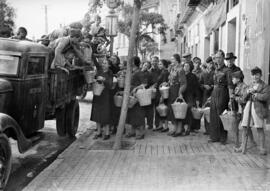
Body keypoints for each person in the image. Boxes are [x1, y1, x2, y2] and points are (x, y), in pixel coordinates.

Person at [236, 67, 270, 155]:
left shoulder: (265, 86)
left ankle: (262, 148)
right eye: (253, 75)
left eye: (257, 75)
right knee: (244, 126)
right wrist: (247, 92)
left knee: (259, 127)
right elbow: (243, 98)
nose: (255, 77)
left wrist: (256, 94)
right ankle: (243, 146)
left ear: (261, 75)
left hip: (258, 108)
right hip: (248, 106)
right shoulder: (250, 85)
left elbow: (265, 97)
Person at [209, 50, 232, 144]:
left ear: (223, 58)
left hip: (223, 93)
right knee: (213, 114)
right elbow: (214, 84)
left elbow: (230, 86)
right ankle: (214, 136)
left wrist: (231, 99)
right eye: (216, 58)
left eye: (219, 57)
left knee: (221, 114)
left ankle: (223, 137)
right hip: (215, 93)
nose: (217, 59)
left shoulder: (227, 71)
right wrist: (211, 95)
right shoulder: (216, 70)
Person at [230, 71, 256, 148]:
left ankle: (247, 144)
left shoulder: (244, 87)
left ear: (238, 79)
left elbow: (244, 100)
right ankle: (237, 143)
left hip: (244, 110)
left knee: (246, 127)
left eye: (233, 78)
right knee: (236, 126)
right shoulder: (237, 86)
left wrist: (235, 97)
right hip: (238, 110)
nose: (232, 80)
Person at [91, 56, 113, 140]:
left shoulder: (110, 73)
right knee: (97, 114)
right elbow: (95, 79)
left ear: (109, 65)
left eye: (105, 63)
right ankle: (98, 132)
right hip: (97, 95)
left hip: (105, 96)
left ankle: (107, 133)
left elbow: (110, 84)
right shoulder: (99, 71)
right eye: (103, 63)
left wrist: (103, 80)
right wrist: (95, 80)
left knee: (105, 115)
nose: (103, 64)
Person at [126, 56, 148, 139]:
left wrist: (136, 88)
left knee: (139, 114)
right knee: (132, 114)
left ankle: (140, 133)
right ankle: (132, 131)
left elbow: (144, 84)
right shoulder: (132, 71)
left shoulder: (139, 72)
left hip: (138, 96)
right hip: (131, 95)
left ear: (134, 63)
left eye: (131, 61)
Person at [167, 54, 187, 137]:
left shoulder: (180, 69)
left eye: (173, 59)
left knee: (178, 110)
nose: (171, 61)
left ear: (177, 60)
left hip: (176, 90)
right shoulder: (172, 68)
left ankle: (179, 129)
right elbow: (170, 79)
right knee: (172, 110)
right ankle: (174, 128)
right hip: (171, 90)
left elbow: (184, 83)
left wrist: (180, 93)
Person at [182, 63, 200, 135]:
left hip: (190, 95)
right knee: (182, 111)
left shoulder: (193, 76)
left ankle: (189, 128)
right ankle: (183, 127)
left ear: (190, 68)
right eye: (185, 66)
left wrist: (197, 98)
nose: (186, 67)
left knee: (189, 111)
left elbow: (196, 87)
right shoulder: (181, 75)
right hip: (182, 95)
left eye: (187, 66)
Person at [154, 59, 170, 132]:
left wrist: (162, 97)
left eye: (160, 64)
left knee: (164, 110)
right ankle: (160, 125)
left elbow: (164, 85)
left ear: (164, 65)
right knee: (159, 110)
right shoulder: (162, 72)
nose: (159, 65)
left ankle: (166, 127)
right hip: (158, 93)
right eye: (159, 64)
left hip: (163, 94)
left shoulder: (165, 72)